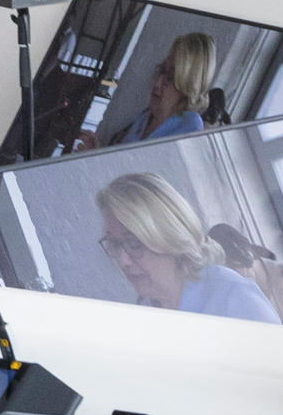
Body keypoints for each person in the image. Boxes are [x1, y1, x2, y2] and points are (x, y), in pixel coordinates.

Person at [92, 171, 272, 322]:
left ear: (169, 235)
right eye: (114, 244)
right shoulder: (147, 310)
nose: (123, 262)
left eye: (133, 243)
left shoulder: (235, 299)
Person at [104, 28, 227, 145]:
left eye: (170, 77)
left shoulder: (190, 126)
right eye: (161, 70)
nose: (158, 83)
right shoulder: (146, 117)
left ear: (188, 86)